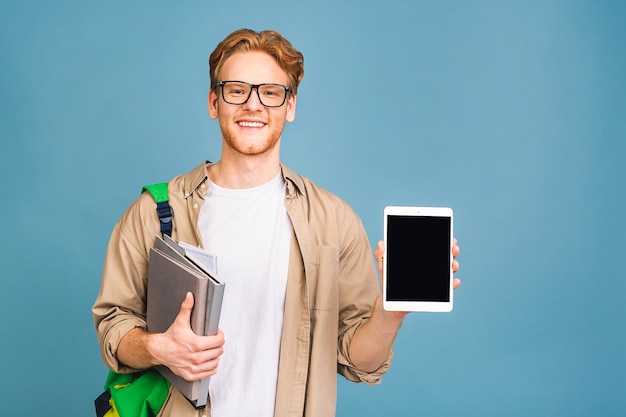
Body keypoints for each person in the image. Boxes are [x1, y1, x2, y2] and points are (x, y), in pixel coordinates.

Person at [92, 28, 461, 417]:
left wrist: (390, 312)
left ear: (291, 106)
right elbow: (113, 328)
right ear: (214, 102)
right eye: (237, 90)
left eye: (270, 92)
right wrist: (156, 347)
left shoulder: (334, 221)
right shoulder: (154, 212)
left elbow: (361, 363)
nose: (254, 105)